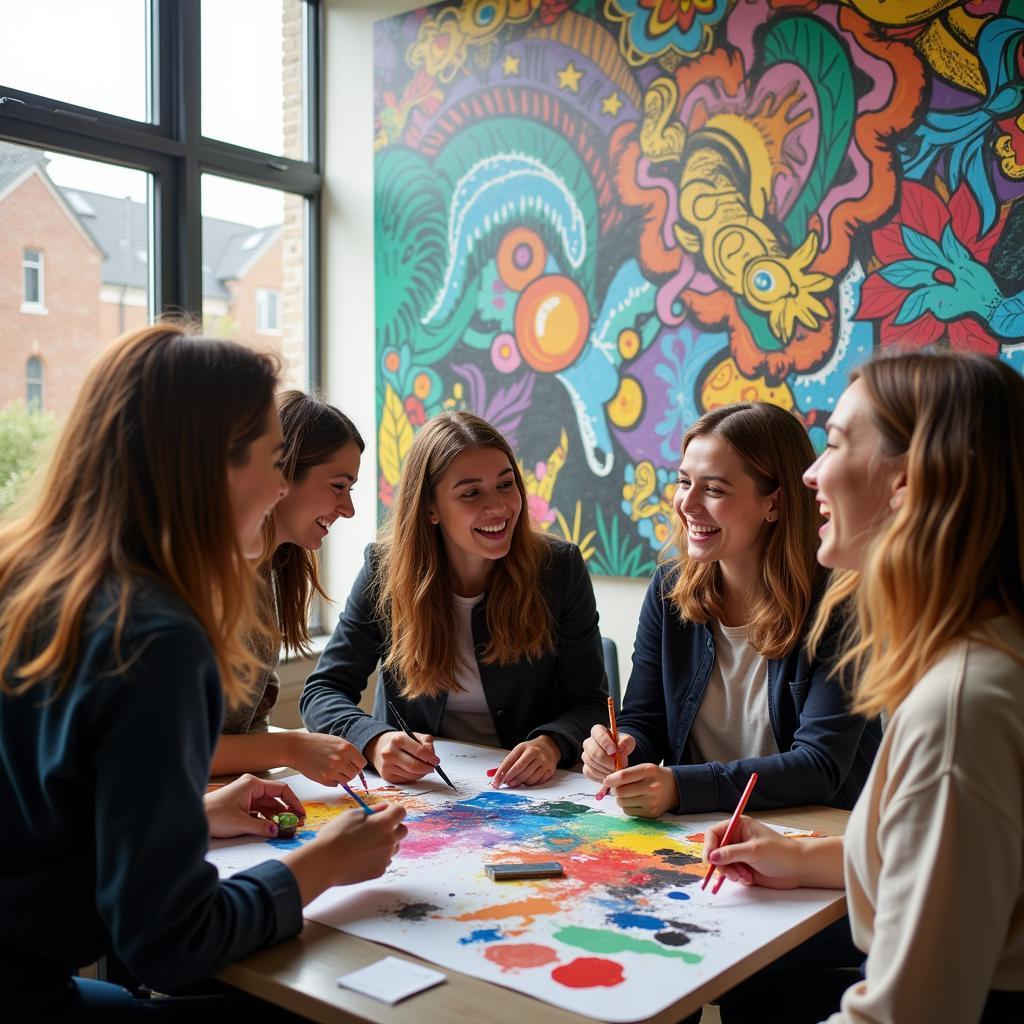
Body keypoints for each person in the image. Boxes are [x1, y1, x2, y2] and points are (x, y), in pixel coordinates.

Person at [0, 324, 407, 1021]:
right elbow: (173, 942)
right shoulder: (154, 636)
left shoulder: (30, 578)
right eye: (277, 461)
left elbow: (47, 811)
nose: (282, 486)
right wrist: (323, 864)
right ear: (213, 465)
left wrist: (191, 816)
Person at [704, 353, 1024, 1023]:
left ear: (909, 483)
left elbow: (909, 1013)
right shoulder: (982, 657)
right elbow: (941, 861)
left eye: (838, 444)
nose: (811, 474)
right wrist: (802, 856)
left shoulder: (961, 710)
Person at [582, 402, 880, 817]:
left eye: (715, 489)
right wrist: (620, 749)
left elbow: (820, 766)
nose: (687, 504)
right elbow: (646, 722)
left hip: (815, 837)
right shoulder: (670, 589)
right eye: (684, 482)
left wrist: (681, 787)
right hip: (699, 831)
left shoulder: (841, 603)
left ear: (773, 504)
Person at [300, 410, 607, 789]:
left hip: (530, 794)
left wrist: (552, 743)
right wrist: (374, 741)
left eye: (506, 485)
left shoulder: (559, 569)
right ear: (430, 508)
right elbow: (322, 692)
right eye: (471, 493)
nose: (498, 507)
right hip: (425, 794)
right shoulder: (384, 570)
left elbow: (592, 703)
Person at [210, 390, 368, 788]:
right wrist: (294, 749)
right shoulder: (203, 576)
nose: (348, 509)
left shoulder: (268, 570)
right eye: (338, 486)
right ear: (281, 474)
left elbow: (249, 721)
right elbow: (168, 748)